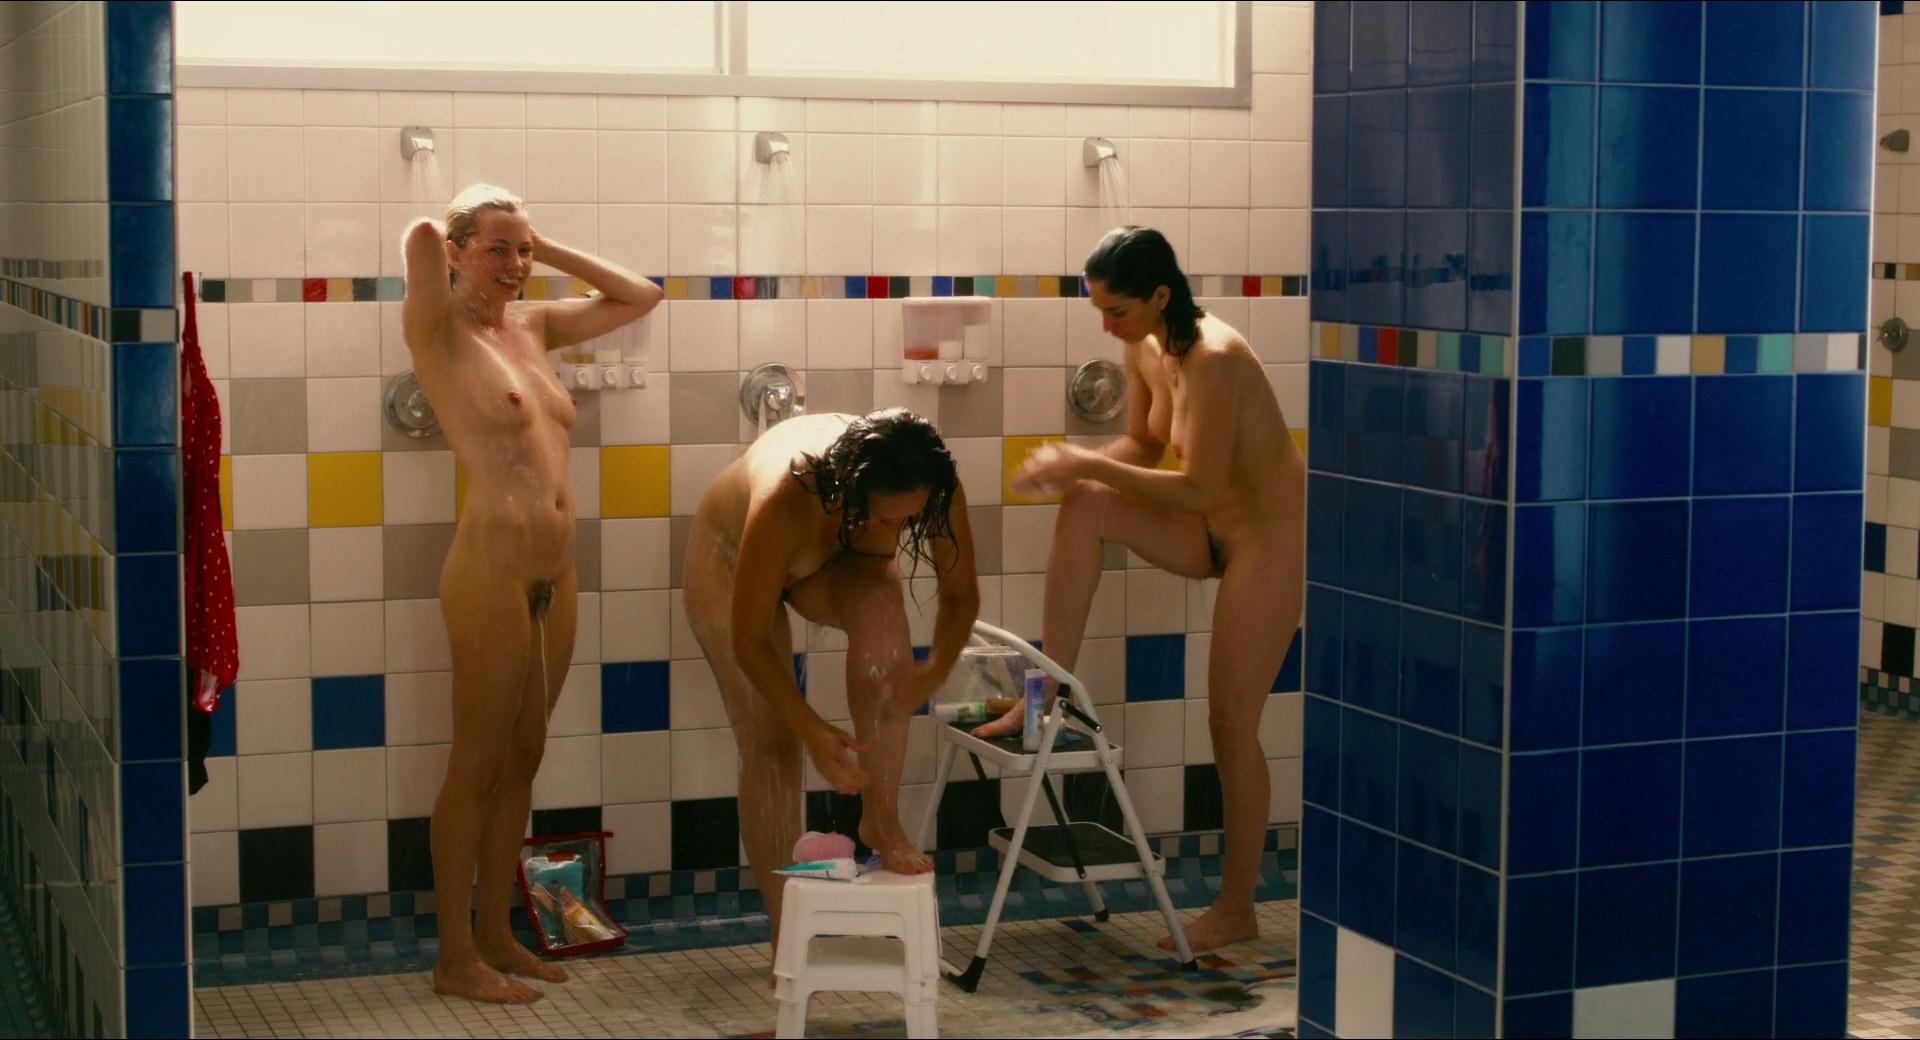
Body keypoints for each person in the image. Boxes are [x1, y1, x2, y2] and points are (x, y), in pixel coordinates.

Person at [974, 226, 1305, 954]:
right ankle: (1046, 698)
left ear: (1159, 295)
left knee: (1230, 722)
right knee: (1086, 503)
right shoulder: (1145, 345)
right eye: (1099, 308)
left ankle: (1238, 908)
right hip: (1207, 527)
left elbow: (1200, 488)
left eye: (1116, 310)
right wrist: (1076, 472)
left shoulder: (1216, 358)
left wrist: (1083, 462)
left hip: (1269, 543)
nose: (1107, 325)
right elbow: (1146, 448)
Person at [401, 184, 662, 1003]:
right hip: (490, 570)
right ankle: (454, 957)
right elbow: (419, 235)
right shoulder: (438, 330)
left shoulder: (535, 325)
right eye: (497, 250)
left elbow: (641, 295)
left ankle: (495, 935)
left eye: (523, 251)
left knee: (524, 757)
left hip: (557, 570)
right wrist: (453, 226)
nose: (515, 266)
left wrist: (539, 247)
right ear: (457, 252)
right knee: (476, 761)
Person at [682, 409, 980, 954]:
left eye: (908, 522)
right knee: (773, 741)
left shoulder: (931, 481)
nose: (895, 534)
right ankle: (786, 935)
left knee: (885, 631)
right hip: (728, 558)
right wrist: (811, 727)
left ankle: (880, 820)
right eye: (884, 519)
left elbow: (960, 595)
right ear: (849, 489)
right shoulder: (790, 494)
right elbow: (749, 638)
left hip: (830, 557)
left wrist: (931, 673)